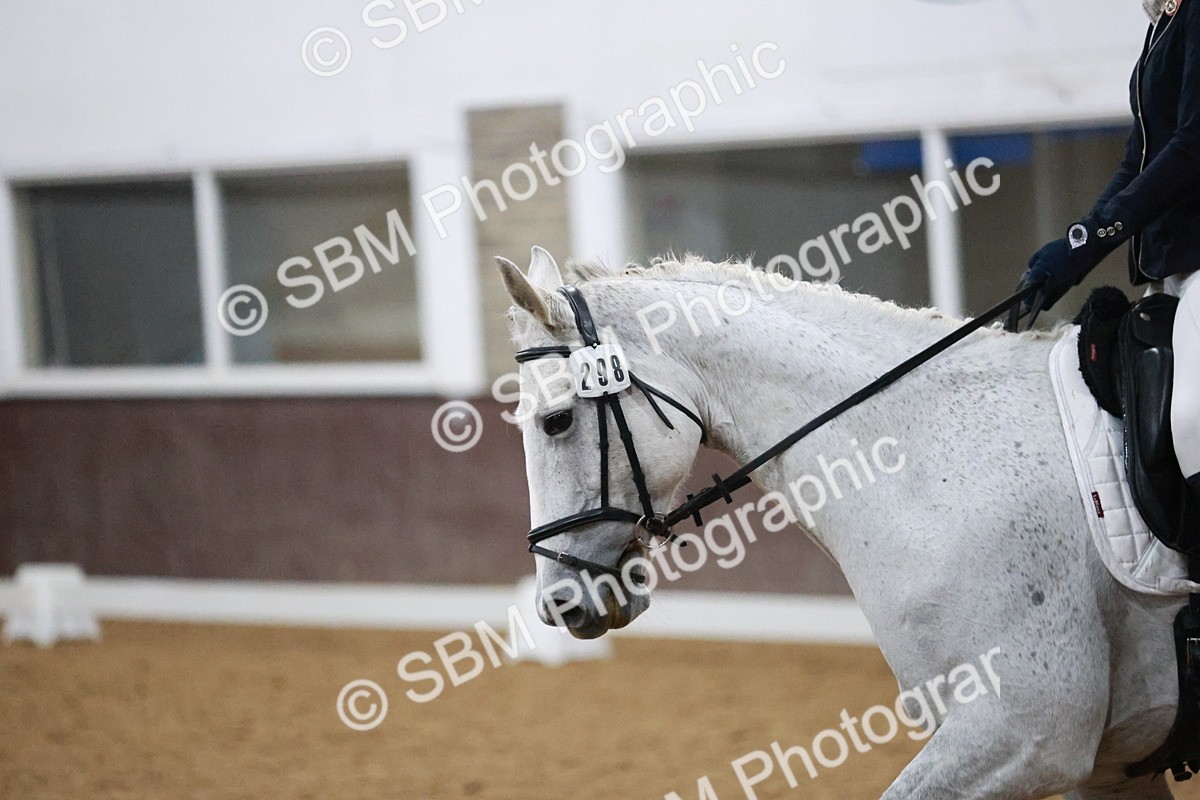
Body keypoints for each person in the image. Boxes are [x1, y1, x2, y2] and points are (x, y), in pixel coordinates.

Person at [1018, 0, 1199, 506]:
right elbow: (1137, 161)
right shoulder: (1164, 24)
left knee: (1190, 419)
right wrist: (1075, 249)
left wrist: (1096, 235)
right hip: (1169, 273)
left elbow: (1191, 147)